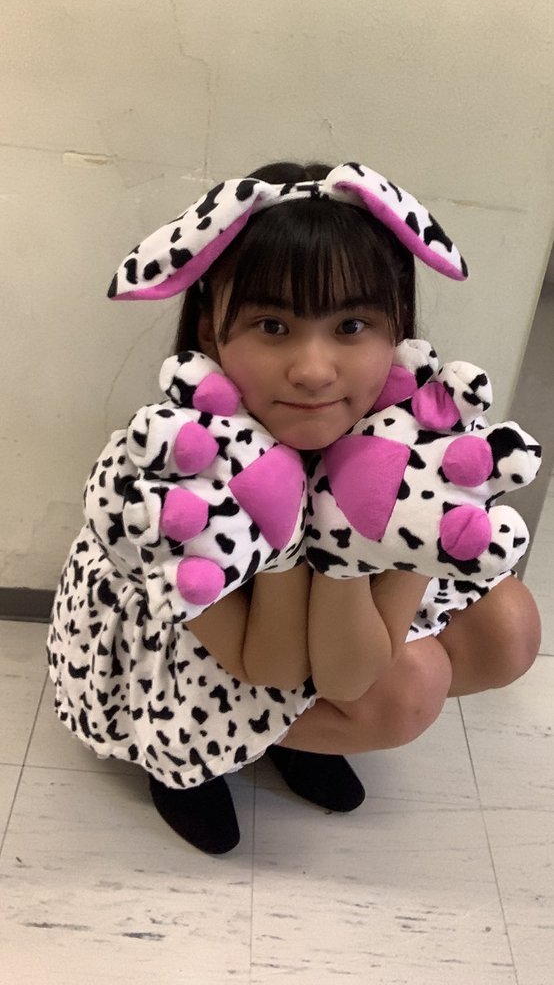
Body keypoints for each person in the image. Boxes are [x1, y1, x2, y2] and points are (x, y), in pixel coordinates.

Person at [48, 161, 541, 855]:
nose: (312, 370)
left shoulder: (409, 440)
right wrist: (278, 531)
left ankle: (289, 735)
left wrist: (348, 543)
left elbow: (355, 667)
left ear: (396, 330)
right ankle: (178, 756)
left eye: (351, 325)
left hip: (323, 627)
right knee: (408, 688)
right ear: (211, 334)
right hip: (200, 646)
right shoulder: (174, 476)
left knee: (505, 625)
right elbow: (268, 660)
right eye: (273, 325)